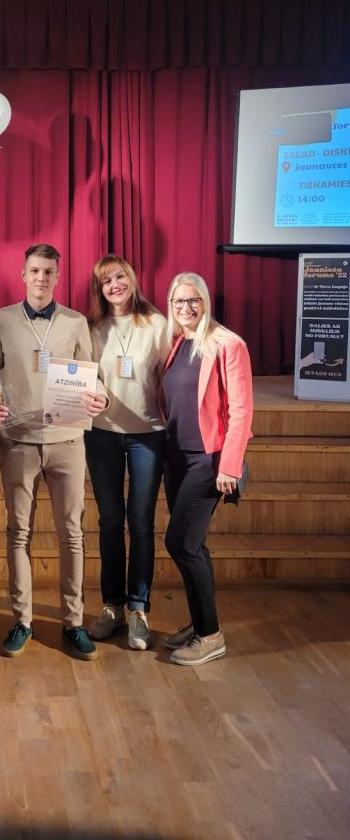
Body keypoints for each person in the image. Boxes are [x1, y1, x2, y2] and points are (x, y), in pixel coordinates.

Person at [0, 243, 107, 660]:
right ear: (23, 274)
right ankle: (23, 621)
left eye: (49, 271)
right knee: (19, 532)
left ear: (58, 277)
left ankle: (73, 622)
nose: (42, 278)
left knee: (72, 534)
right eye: (35, 270)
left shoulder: (75, 322)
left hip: (68, 441)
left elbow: (93, 376)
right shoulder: (1, 320)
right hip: (18, 441)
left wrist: (101, 396)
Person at [160, 272, 253, 666]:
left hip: (208, 461)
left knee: (181, 543)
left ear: (205, 301)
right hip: (176, 459)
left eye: (193, 300)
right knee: (193, 544)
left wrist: (229, 467)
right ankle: (201, 623)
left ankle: (211, 636)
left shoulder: (228, 344)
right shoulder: (176, 342)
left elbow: (241, 410)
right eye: (179, 301)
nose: (186, 307)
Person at [85, 255, 170, 651]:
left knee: (141, 523)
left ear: (132, 279)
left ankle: (139, 608)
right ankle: (112, 607)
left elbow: (172, 375)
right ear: (99, 290)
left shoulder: (157, 325)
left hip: (148, 435)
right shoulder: (91, 329)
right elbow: (86, 377)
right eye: (106, 281)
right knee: (109, 521)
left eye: (120, 277)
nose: (115, 285)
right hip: (102, 434)